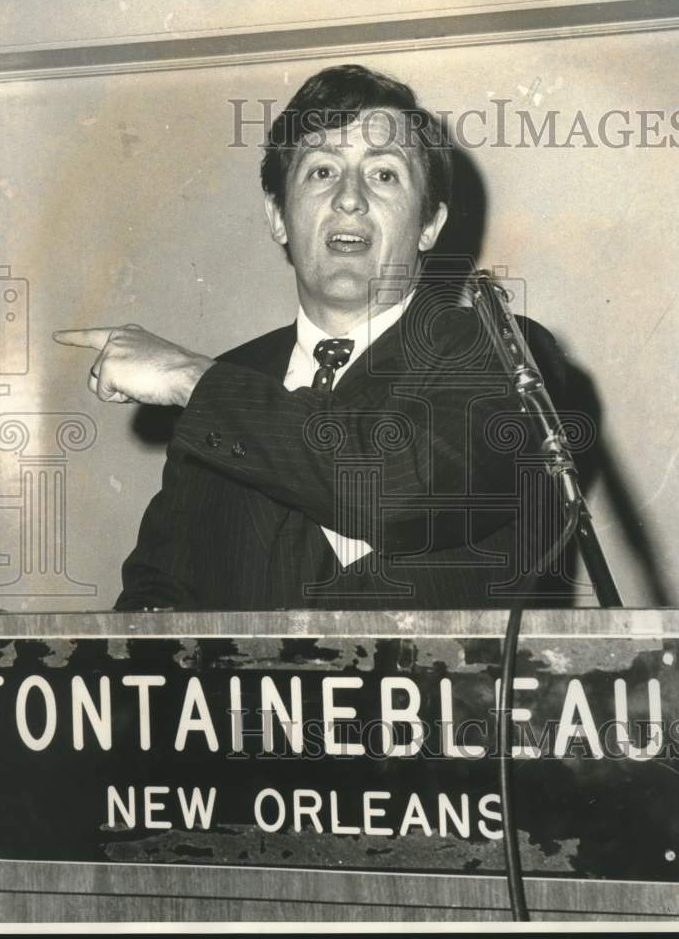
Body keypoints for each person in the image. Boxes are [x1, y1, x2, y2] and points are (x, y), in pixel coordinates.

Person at [54, 64, 566, 611]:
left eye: (385, 175)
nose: (350, 198)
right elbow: (157, 596)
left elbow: (402, 490)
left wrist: (193, 380)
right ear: (277, 217)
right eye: (322, 171)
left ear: (429, 227)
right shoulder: (233, 378)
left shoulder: (502, 352)